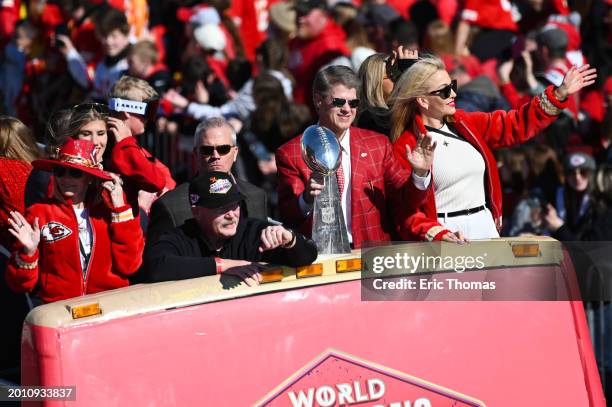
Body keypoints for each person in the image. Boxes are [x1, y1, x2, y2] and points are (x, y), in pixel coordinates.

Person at [389, 55, 597, 241]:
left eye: (453, 85)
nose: (453, 93)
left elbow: (515, 124)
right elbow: (406, 213)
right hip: (448, 234)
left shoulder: (464, 123)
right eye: (444, 91)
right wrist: (439, 232)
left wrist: (559, 94)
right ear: (423, 101)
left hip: (485, 227)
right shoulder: (405, 146)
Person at [276, 65, 434, 249]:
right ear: (318, 100)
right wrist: (307, 198)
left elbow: (405, 201)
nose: (346, 109)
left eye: (353, 103)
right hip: (318, 258)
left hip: (371, 253)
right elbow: (288, 214)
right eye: (338, 102)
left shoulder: (377, 145)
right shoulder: (292, 153)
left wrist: (420, 174)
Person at [5, 139, 144, 303]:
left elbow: (130, 265)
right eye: (60, 171)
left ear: (90, 178)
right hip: (60, 310)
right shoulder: (39, 213)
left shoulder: (110, 212)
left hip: (110, 307)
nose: (66, 178)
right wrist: (27, 253)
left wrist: (120, 208)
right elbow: (20, 285)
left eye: (75, 173)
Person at [143, 171, 317, 286]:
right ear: (196, 212)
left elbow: (308, 255)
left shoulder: (254, 232)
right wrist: (224, 266)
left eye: (235, 205)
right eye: (220, 207)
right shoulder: (182, 236)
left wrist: (290, 240)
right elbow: (155, 266)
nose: (231, 214)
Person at [147, 117, 268, 244]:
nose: (215, 156)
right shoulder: (171, 204)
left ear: (235, 152)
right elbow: (158, 259)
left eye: (223, 149)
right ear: (196, 154)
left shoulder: (256, 196)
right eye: (207, 150)